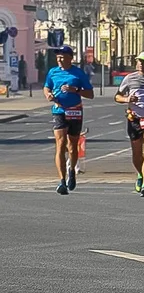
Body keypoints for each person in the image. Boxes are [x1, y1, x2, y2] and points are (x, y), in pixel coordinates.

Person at [44, 45, 94, 195]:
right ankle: (61, 181)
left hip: (75, 110)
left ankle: (71, 170)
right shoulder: (53, 72)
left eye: (63, 57)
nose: (59, 60)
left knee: (72, 146)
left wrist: (76, 90)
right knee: (60, 144)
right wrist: (48, 95)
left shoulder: (78, 73)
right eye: (58, 57)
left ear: (70, 58)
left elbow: (90, 94)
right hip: (59, 110)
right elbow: (47, 87)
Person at [114, 51, 144, 197]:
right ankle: (140, 174)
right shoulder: (129, 79)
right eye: (139, 61)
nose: (141, 64)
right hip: (134, 119)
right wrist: (127, 99)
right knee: (137, 154)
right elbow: (117, 96)